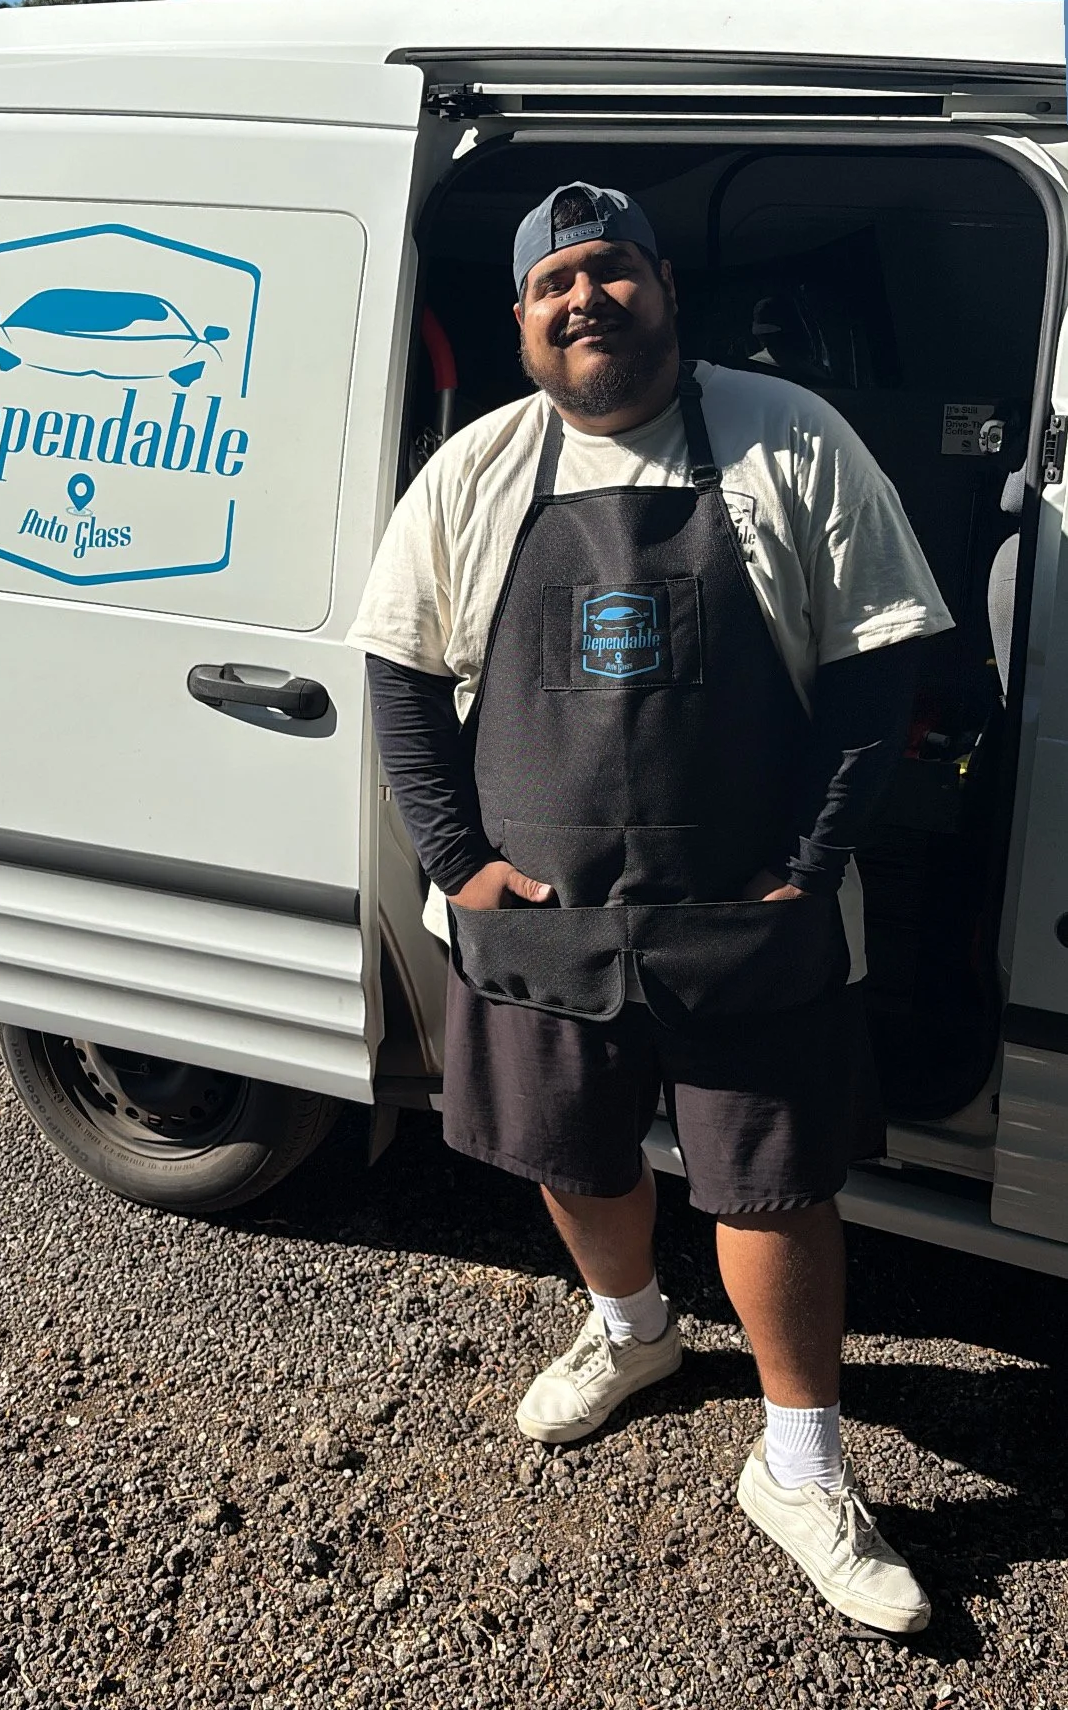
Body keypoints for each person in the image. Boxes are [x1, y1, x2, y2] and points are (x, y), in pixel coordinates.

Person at [348, 182, 953, 1634]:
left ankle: (798, 1466)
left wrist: (807, 861)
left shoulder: (790, 439)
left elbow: (879, 675)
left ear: (661, 287)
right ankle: (631, 1333)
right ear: (519, 321)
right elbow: (402, 677)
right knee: (574, 1148)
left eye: (608, 271)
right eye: (552, 283)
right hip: (537, 912)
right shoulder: (476, 470)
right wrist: (457, 865)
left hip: (746, 909)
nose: (583, 300)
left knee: (772, 1187)